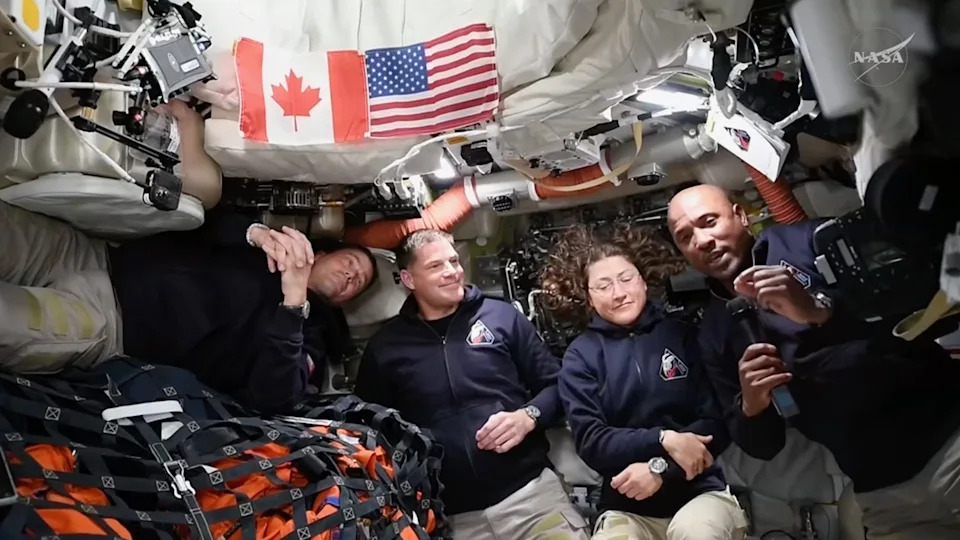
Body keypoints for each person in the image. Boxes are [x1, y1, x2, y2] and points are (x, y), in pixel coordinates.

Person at [0, 101, 377, 413]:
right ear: (324, 252)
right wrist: (255, 233)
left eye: (357, 284)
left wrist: (294, 301)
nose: (352, 276)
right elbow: (201, 220)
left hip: (108, 324)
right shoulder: (266, 246)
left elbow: (273, 398)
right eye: (351, 263)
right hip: (95, 254)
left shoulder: (308, 337)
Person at [667, 183, 960, 539]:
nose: (702, 240)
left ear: (741, 216)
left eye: (709, 221)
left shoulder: (808, 241)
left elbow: (928, 302)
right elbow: (762, 445)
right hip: (880, 487)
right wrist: (753, 405)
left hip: (948, 441)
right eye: (685, 236)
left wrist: (822, 308)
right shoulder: (714, 332)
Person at [354, 229, 589, 540]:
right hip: (454, 520)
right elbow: (368, 432)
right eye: (436, 266)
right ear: (409, 279)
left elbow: (559, 387)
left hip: (532, 500)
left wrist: (528, 416)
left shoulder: (501, 317)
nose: (452, 272)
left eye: (454, 261)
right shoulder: (386, 348)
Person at [543, 224, 747, 540]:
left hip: (700, 494)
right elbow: (593, 441)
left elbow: (716, 424)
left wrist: (659, 469)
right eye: (604, 285)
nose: (619, 293)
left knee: (695, 533)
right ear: (588, 296)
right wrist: (663, 438)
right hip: (627, 508)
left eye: (626, 279)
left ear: (643, 280)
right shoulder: (580, 357)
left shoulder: (684, 337)